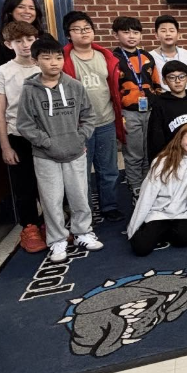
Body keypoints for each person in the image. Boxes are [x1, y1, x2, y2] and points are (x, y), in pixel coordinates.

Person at [16, 37, 102, 263]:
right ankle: (57, 240)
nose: (54, 63)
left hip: (75, 152)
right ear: (36, 61)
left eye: (58, 57)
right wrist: (46, 142)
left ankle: (83, 232)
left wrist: (79, 137)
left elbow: (88, 116)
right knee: (51, 199)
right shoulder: (30, 90)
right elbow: (24, 124)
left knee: (79, 195)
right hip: (45, 156)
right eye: (46, 58)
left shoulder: (74, 86)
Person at [61, 11, 126, 222]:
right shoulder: (63, 59)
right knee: (81, 172)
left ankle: (109, 206)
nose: (83, 33)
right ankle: (84, 211)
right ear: (69, 34)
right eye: (77, 29)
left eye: (87, 28)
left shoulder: (105, 56)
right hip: (79, 126)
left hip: (106, 120)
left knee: (109, 169)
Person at [0, 21, 45, 251]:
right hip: (18, 137)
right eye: (19, 41)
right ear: (8, 44)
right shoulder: (3, 72)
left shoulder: (45, 66)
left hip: (46, 135)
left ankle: (53, 223)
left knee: (48, 183)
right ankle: (30, 226)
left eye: (30, 40)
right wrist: (5, 147)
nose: (25, 45)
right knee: (24, 186)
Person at [127, 123, 187, 256]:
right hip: (159, 212)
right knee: (140, 248)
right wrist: (134, 225)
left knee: (183, 240)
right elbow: (148, 194)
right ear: (180, 137)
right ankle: (158, 230)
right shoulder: (162, 161)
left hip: (182, 212)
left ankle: (167, 231)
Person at [112, 16, 161, 201]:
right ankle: (136, 188)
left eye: (135, 32)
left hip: (149, 111)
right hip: (128, 113)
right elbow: (112, 91)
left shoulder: (147, 57)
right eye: (126, 32)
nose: (131, 36)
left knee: (150, 151)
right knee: (134, 154)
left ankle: (149, 185)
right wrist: (119, 117)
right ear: (116, 34)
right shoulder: (113, 59)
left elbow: (156, 84)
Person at [0, 0, 54, 98]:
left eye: (31, 8)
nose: (27, 11)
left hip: (46, 93)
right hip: (15, 97)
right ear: (10, 11)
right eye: (21, 7)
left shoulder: (45, 38)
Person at [147, 61, 187, 161]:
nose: (177, 81)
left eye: (182, 76)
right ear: (164, 80)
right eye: (172, 77)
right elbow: (155, 139)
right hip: (173, 159)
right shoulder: (160, 104)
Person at [150, 15, 187, 93]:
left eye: (172, 30)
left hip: (184, 97)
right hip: (162, 98)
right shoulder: (151, 57)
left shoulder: (186, 54)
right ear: (156, 35)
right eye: (163, 31)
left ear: (178, 35)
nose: (168, 34)